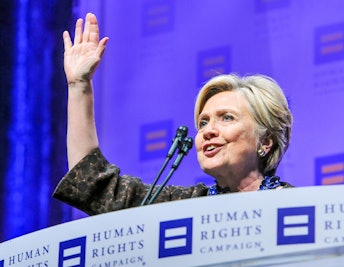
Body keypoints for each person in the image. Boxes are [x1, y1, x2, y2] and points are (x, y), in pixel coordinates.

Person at [53, 13, 294, 215]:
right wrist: (79, 86)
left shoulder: (297, 205)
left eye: (227, 117)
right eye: (203, 123)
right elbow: (93, 183)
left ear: (265, 141)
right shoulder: (182, 206)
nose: (208, 131)